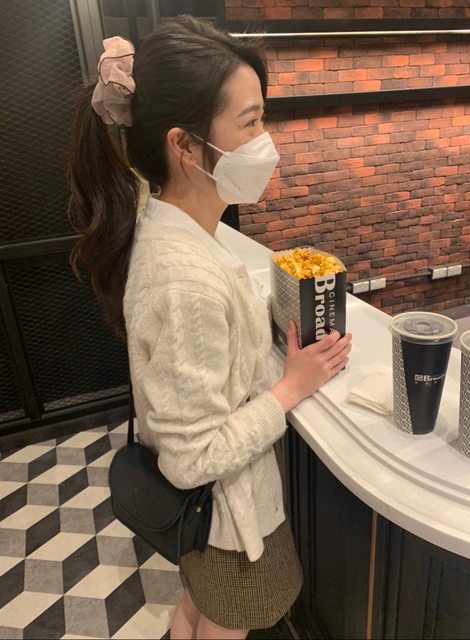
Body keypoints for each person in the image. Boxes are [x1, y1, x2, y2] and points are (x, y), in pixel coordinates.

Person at [68, 15, 352, 640]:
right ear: (186, 146)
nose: (265, 141)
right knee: (225, 617)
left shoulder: (177, 226)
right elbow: (192, 458)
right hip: (227, 524)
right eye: (249, 122)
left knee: (198, 607)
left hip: (220, 520)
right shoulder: (185, 278)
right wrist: (291, 387)